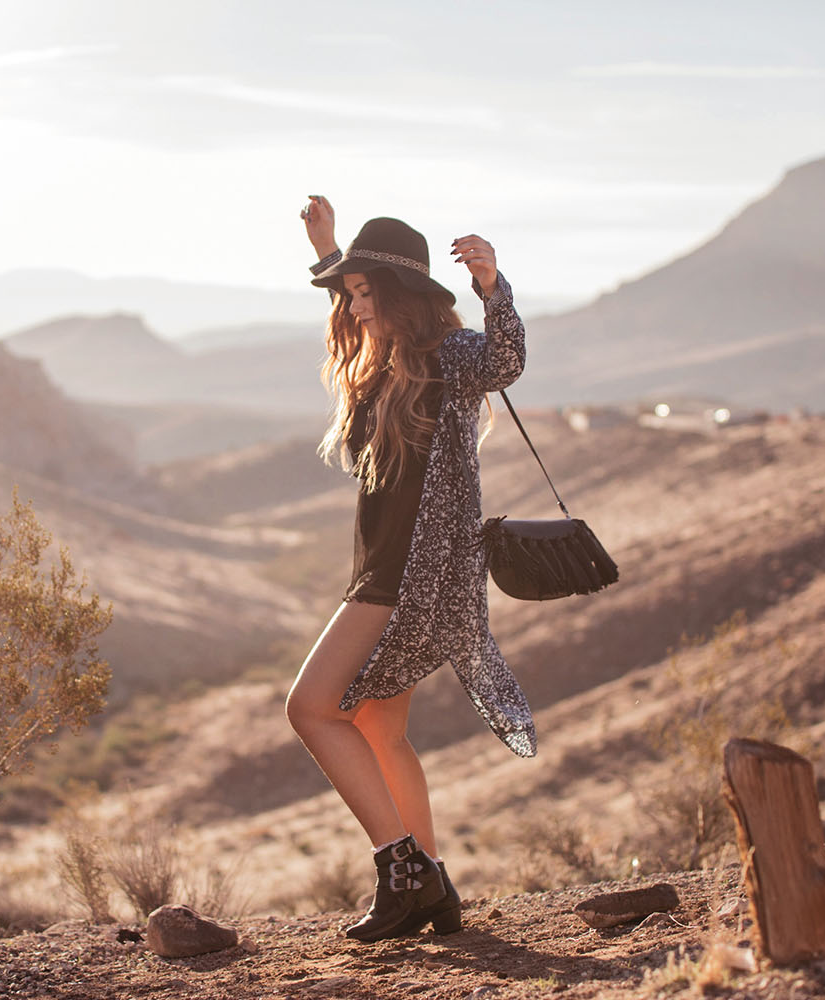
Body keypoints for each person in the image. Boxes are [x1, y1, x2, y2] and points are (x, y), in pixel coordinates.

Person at [286, 195, 538, 944]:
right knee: (374, 726)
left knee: (310, 708)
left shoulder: (446, 359)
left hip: (409, 576)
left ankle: (403, 870)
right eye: (352, 294)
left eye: (369, 294)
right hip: (384, 569)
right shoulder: (382, 362)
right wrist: (331, 252)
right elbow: (346, 307)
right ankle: (431, 886)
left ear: (401, 297)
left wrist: (494, 287)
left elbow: (507, 360)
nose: (357, 307)